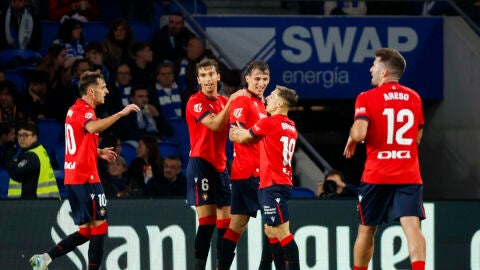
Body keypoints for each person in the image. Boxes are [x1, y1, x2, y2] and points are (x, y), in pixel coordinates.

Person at [29, 70, 140, 270]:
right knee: (99, 228)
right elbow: (92, 128)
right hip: (86, 178)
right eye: (103, 87)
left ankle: (45, 258)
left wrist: (96, 151)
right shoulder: (86, 111)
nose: (106, 91)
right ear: (91, 91)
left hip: (74, 179)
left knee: (86, 231)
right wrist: (120, 114)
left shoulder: (74, 109)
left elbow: (77, 142)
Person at [343, 48, 426, 270]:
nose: (371, 68)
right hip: (408, 172)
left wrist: (352, 137)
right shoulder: (414, 97)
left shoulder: (367, 97)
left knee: (367, 229)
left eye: (374, 64)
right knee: (412, 227)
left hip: (377, 174)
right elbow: (417, 136)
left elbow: (359, 133)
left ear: (384, 72)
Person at [230, 85, 300, 270]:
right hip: (280, 182)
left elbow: (243, 137)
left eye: (272, 96)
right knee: (270, 230)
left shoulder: (270, 122)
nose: (267, 98)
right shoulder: (291, 125)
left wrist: (235, 133)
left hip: (273, 184)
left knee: (282, 233)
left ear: (280, 103)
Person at [217, 60, 274, 269]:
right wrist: (258, 133)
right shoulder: (242, 100)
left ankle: (221, 267)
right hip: (252, 173)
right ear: (247, 78)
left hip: (248, 173)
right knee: (275, 225)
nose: (261, 82)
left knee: (237, 225)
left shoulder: (261, 103)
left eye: (265, 79)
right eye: (257, 78)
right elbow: (234, 133)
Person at [185, 58, 240, 269]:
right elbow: (216, 125)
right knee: (207, 224)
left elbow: (237, 126)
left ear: (218, 76)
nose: (208, 79)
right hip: (201, 164)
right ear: (198, 80)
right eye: (203, 76)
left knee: (226, 225)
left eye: (211, 74)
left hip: (220, 167)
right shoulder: (195, 101)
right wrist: (232, 102)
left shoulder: (225, 102)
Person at [5, 122, 59, 198]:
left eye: (26, 135)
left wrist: (8, 157)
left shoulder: (31, 156)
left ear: (35, 137)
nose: (21, 138)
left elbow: (15, 174)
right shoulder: (40, 150)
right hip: (45, 201)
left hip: (36, 203)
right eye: (19, 135)